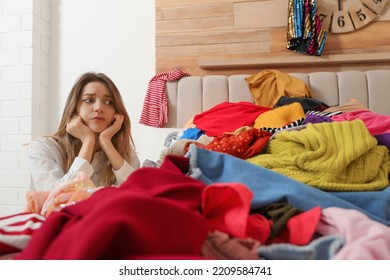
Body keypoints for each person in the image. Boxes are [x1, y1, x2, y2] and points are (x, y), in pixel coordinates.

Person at [28, 72, 140, 192]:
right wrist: (88, 141)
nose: (98, 108)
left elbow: (139, 194)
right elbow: (55, 198)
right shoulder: (43, 148)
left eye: (108, 102)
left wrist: (106, 142)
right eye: (89, 100)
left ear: (116, 112)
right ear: (74, 107)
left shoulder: (124, 151)